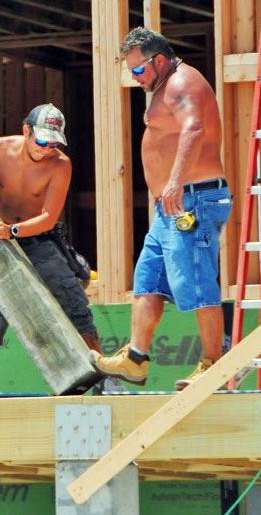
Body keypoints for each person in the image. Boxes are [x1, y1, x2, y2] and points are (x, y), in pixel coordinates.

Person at [93, 27, 231, 391]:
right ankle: (136, 360)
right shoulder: (162, 86)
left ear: (159, 60)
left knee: (199, 283)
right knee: (147, 283)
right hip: (168, 207)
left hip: (193, 199)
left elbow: (194, 128)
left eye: (138, 70)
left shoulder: (183, 82)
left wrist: (174, 180)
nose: (135, 78)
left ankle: (215, 364)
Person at [0, 103, 105, 396]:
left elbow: (48, 218)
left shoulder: (60, 165)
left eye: (54, 142)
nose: (47, 149)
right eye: (42, 140)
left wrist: (12, 231)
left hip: (37, 238)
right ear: (26, 131)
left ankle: (105, 377)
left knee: (72, 298)